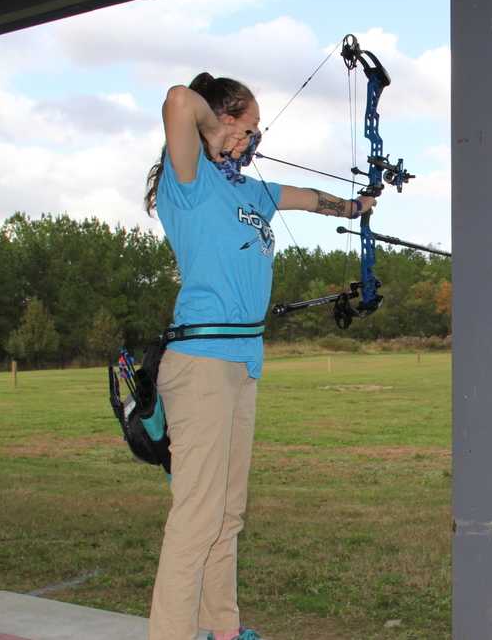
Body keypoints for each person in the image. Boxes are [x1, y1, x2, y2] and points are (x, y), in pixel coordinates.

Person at [144, 73, 375, 640]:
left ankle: (221, 629)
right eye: (247, 127)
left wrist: (356, 204)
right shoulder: (190, 179)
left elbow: (313, 200)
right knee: (197, 515)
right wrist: (216, 134)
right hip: (200, 361)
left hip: (243, 362)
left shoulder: (253, 192)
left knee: (227, 513)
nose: (253, 139)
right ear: (221, 120)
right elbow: (179, 99)